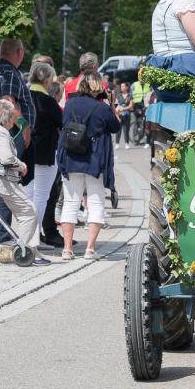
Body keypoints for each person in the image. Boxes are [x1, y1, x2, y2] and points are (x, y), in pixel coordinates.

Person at [57, 71, 120, 260]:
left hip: (71, 158)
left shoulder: (70, 104)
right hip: (94, 160)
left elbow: (64, 123)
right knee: (95, 203)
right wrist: (111, 105)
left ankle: (67, 249)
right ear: (98, 86)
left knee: (70, 203)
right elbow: (115, 127)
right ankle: (90, 249)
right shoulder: (101, 108)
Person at [0, 99, 48, 265]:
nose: (15, 117)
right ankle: (26, 251)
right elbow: (7, 158)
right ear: (6, 117)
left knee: (28, 210)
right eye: (12, 114)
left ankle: (29, 250)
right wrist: (21, 165)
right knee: (28, 211)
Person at [0, 38, 36, 245]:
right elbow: (9, 102)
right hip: (10, 132)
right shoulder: (9, 72)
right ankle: (1, 235)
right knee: (6, 181)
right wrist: (24, 127)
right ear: (19, 52)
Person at [26, 61, 64, 249]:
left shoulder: (23, 96)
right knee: (41, 196)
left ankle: (29, 235)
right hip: (45, 153)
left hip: (25, 151)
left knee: (29, 195)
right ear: (47, 80)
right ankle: (32, 238)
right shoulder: (48, 101)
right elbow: (62, 123)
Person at [115, 82, 134, 150]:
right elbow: (115, 104)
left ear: (127, 87)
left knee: (126, 130)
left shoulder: (130, 95)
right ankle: (117, 144)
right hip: (119, 114)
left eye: (123, 86)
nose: (122, 88)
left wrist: (124, 108)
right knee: (118, 130)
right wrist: (117, 110)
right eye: (121, 86)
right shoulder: (118, 95)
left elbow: (131, 106)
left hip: (127, 115)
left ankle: (127, 143)